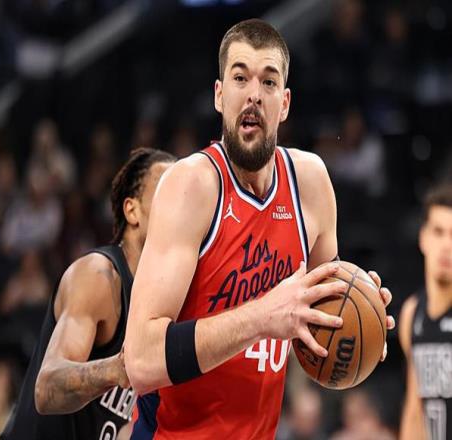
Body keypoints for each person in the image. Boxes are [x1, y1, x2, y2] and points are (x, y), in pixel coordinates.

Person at [124, 19, 394, 439]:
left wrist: (361, 319)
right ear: (219, 95)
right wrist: (262, 318)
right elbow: (140, 361)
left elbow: (320, 318)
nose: (253, 94)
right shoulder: (191, 186)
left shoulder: (310, 183)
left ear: (284, 103)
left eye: (268, 81)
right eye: (240, 77)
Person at [0, 147, 175, 440]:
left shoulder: (163, 300)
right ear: (132, 211)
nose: (178, 206)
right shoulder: (98, 276)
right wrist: (117, 369)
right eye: (166, 193)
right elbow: (48, 387)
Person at [400, 184, 452, 440]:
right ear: (423, 238)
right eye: (439, 232)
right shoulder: (411, 313)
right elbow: (414, 410)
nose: (447, 245)